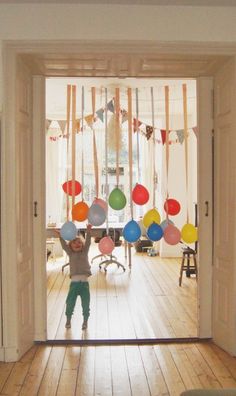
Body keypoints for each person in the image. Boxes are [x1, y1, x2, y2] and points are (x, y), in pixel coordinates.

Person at [56, 224, 92, 330]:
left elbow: (88, 243)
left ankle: (85, 321)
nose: (77, 244)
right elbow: (64, 246)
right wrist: (61, 236)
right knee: (70, 303)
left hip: (85, 285)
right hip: (74, 285)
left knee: (86, 304)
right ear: (70, 246)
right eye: (75, 243)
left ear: (82, 245)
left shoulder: (84, 252)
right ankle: (68, 320)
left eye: (79, 243)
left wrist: (88, 232)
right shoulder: (70, 253)